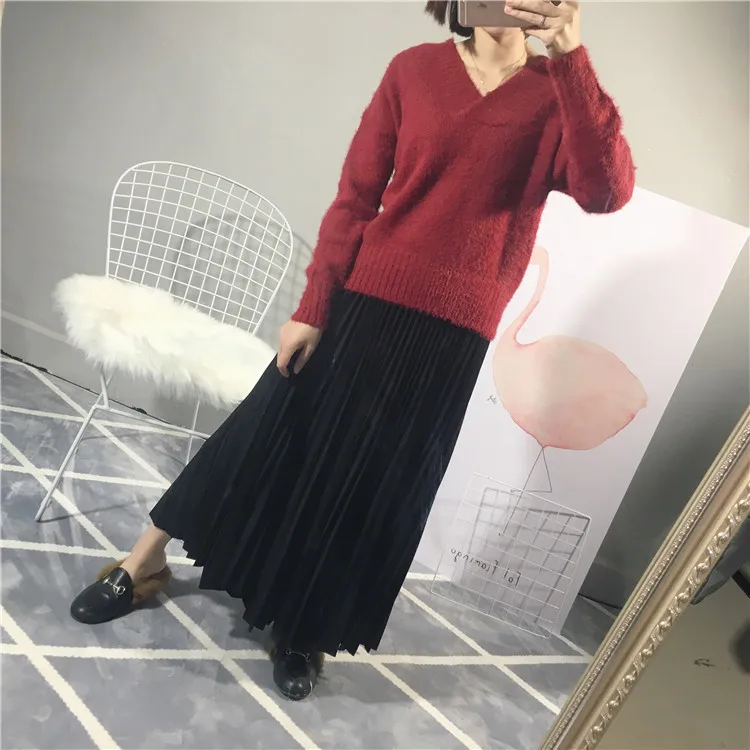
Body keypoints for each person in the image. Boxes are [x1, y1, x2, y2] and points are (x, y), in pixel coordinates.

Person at [69, 0, 635, 701]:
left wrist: (572, 55)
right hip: (365, 299)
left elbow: (606, 192)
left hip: (454, 334)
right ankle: (142, 562)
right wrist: (313, 306)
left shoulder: (557, 94)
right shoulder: (414, 72)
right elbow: (356, 197)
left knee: (374, 485)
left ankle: (303, 627)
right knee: (264, 434)